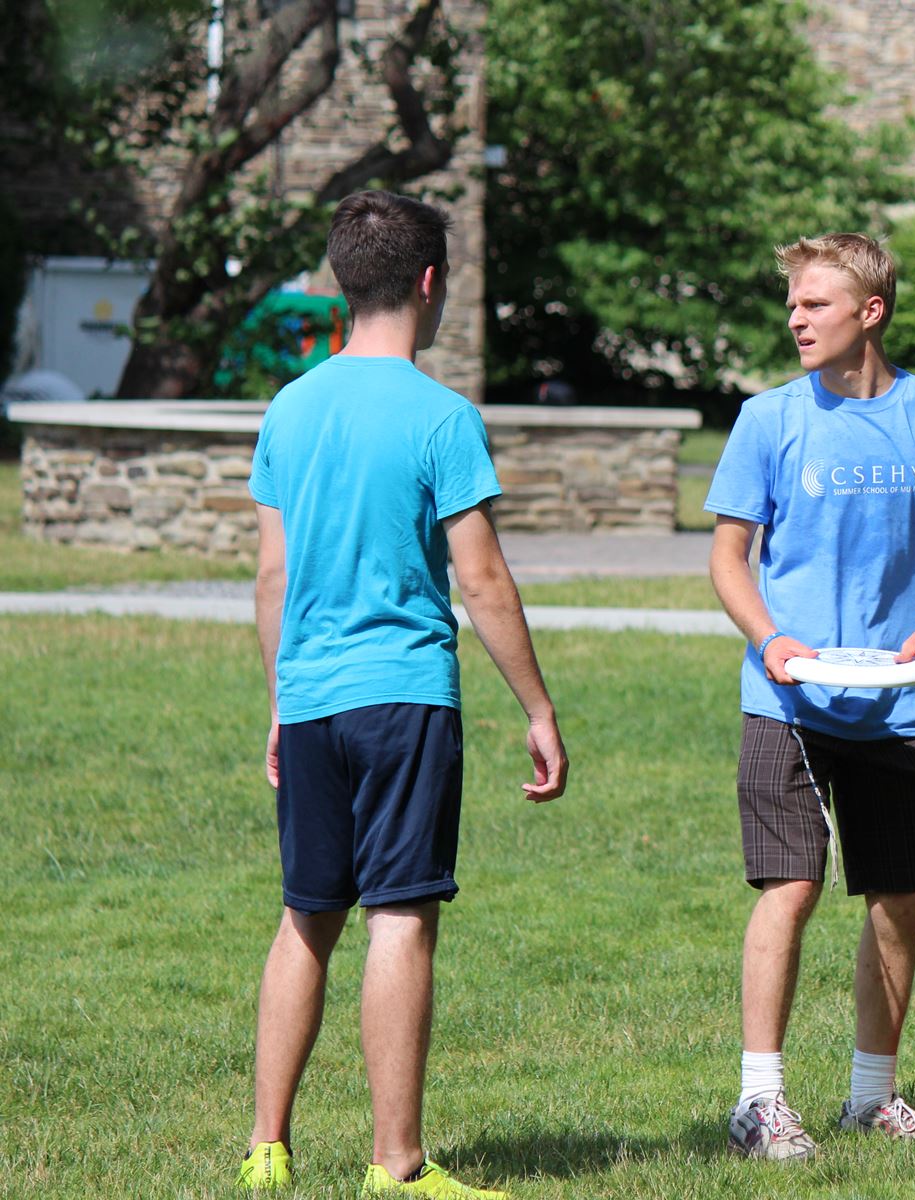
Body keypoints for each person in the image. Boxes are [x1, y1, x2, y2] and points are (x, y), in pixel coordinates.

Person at [239, 190, 568, 1198]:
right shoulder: (441, 417)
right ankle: (397, 1164)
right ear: (431, 283)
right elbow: (483, 580)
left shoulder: (290, 409)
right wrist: (538, 708)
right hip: (403, 699)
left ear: (344, 281)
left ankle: (265, 1149)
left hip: (312, 699)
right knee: (399, 916)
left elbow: (271, 577)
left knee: (307, 914)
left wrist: (282, 702)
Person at [705, 233, 915, 1161]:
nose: (795, 319)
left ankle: (871, 1098)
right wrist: (770, 639)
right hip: (788, 698)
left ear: (870, 313)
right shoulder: (767, 418)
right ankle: (760, 1101)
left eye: (815, 304)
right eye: (792, 304)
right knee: (791, 885)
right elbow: (728, 558)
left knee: (901, 896)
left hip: (895, 700)